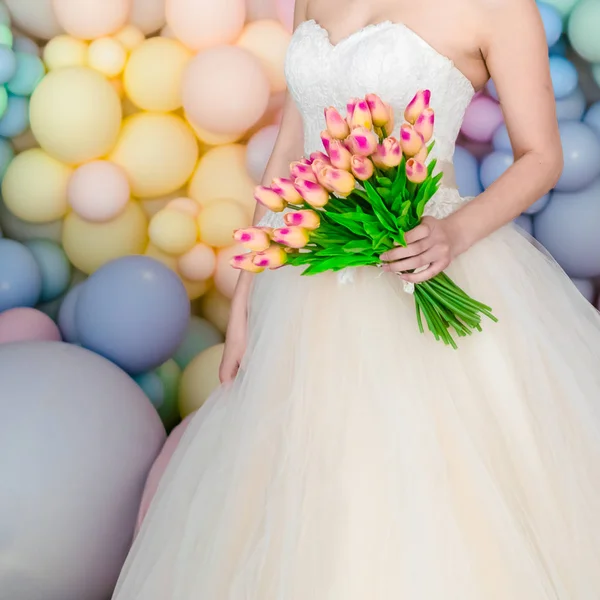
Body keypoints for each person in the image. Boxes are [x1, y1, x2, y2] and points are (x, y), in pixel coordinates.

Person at [113, 0, 600, 597]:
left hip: (430, 261)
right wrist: (246, 290)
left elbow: (542, 155)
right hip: (310, 283)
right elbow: (292, 149)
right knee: (303, 494)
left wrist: (455, 231)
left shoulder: (499, 7)